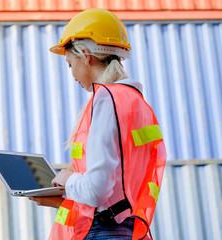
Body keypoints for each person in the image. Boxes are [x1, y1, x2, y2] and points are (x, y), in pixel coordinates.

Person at [28, 8, 167, 240]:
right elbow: (115, 193)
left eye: (70, 64)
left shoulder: (106, 99)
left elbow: (96, 191)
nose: (73, 75)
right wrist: (63, 199)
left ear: (85, 55)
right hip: (129, 230)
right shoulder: (135, 101)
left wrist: (66, 179)